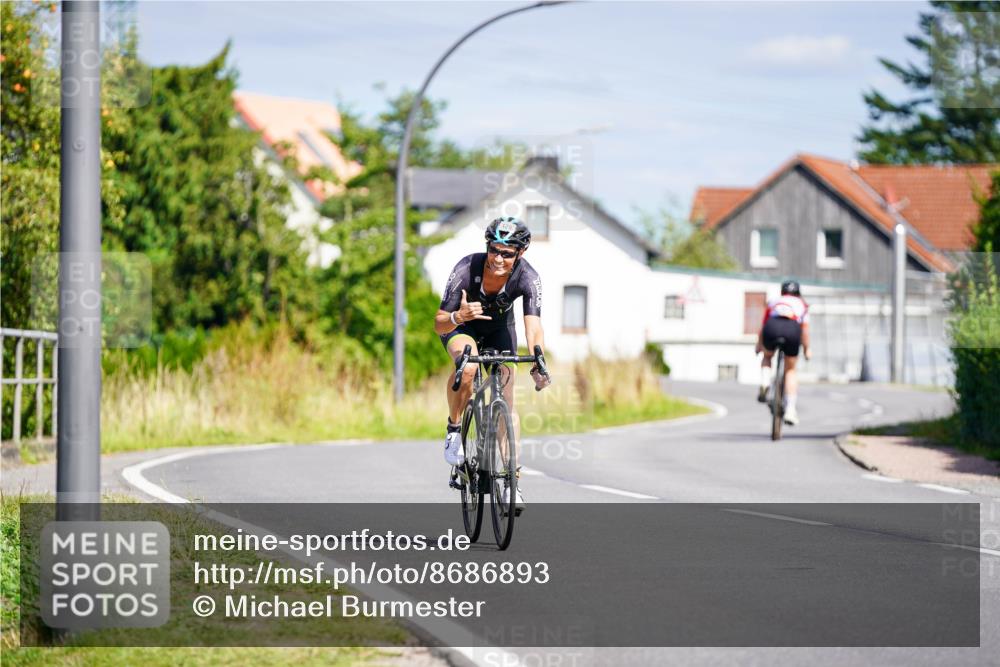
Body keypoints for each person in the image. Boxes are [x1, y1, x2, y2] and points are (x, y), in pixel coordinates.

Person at [434, 216, 551, 512]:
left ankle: (512, 481)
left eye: (507, 253)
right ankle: (454, 427)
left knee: (507, 404)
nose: (499, 258)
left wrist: (538, 358)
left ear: (520, 253)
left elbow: (533, 326)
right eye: (494, 250)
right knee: (469, 366)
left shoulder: (528, 277)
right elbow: (438, 324)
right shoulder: (466, 268)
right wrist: (459, 316)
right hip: (462, 328)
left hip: (500, 331)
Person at [755, 280, 811, 426]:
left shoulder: (774, 301)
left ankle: (765, 381)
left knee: (767, 356)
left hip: (772, 327)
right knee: (790, 370)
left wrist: (759, 346)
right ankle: (791, 410)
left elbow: (763, 324)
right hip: (791, 329)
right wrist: (806, 349)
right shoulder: (802, 304)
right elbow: (804, 330)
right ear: (798, 293)